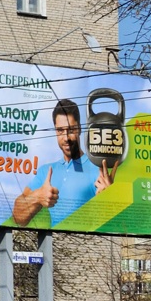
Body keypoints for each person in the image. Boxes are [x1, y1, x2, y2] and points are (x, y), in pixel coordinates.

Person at [12, 97, 115, 226]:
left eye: (71, 130)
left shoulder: (97, 168)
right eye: (60, 131)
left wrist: (108, 198)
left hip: (86, 244)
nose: (66, 138)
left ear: (79, 129)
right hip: (52, 245)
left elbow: (111, 224)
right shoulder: (47, 171)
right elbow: (18, 216)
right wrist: (38, 196)